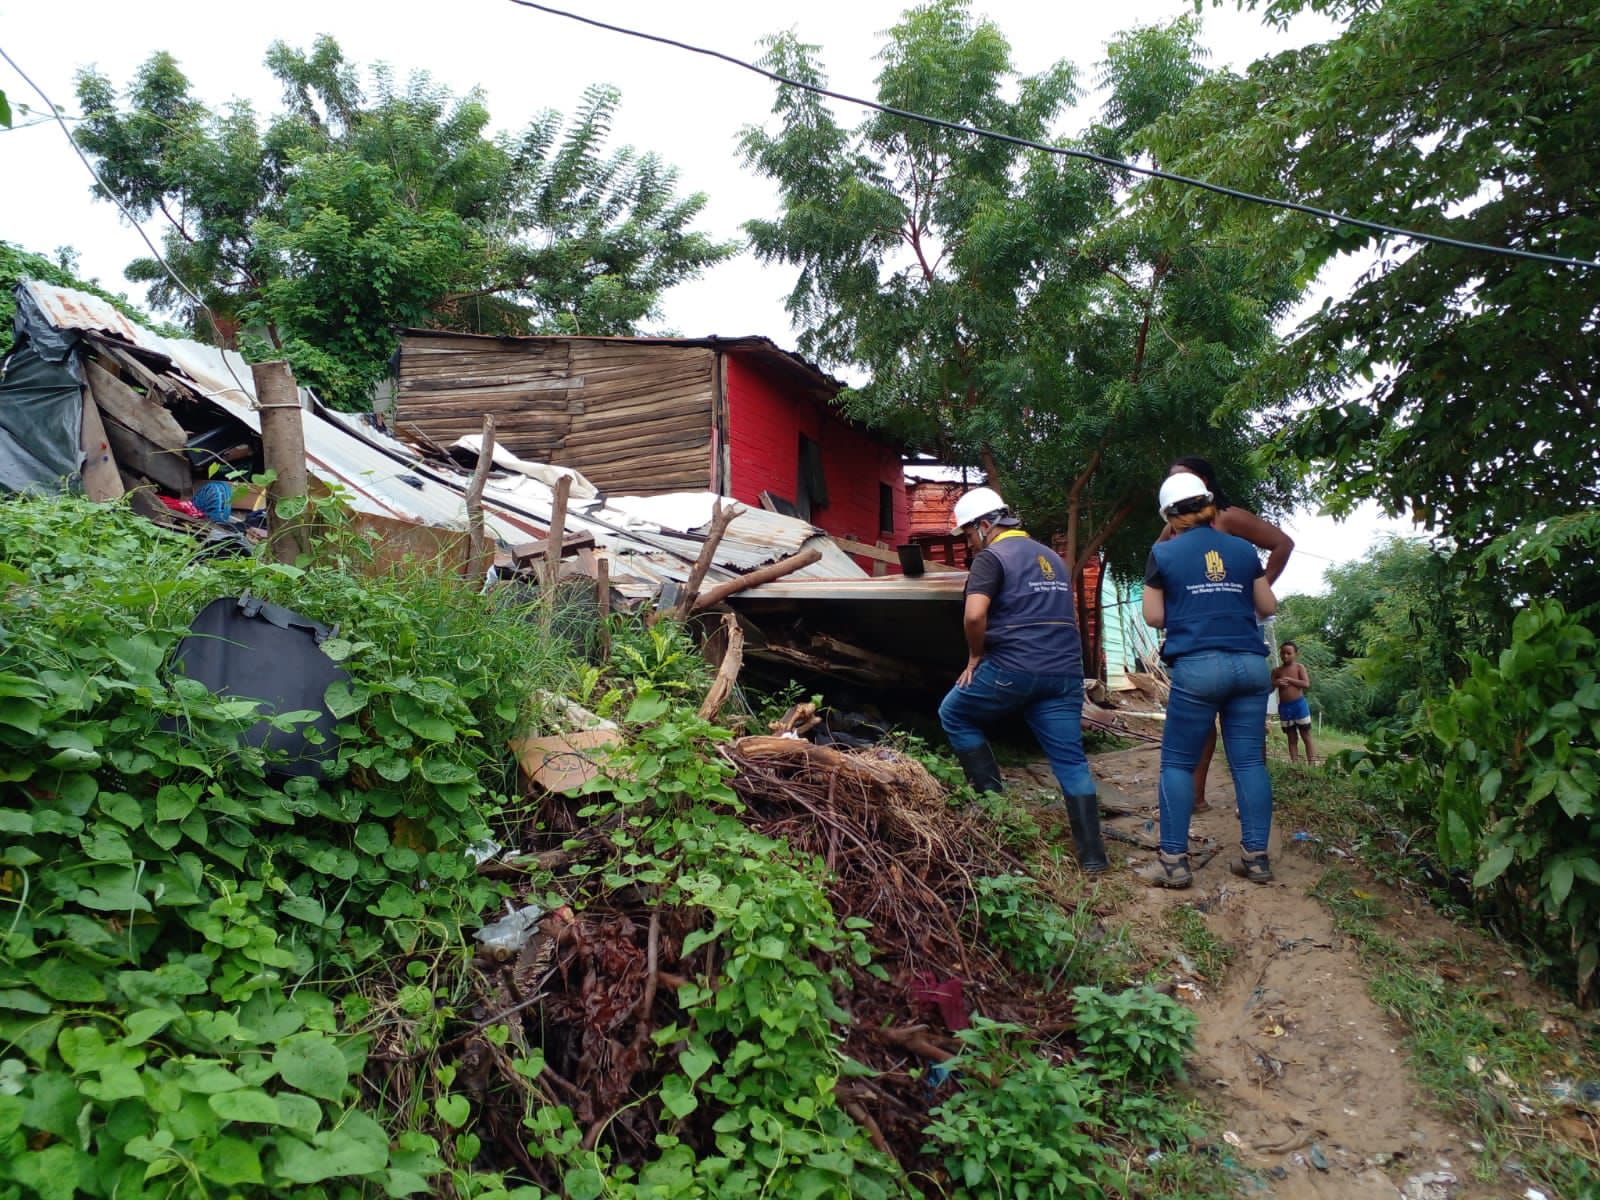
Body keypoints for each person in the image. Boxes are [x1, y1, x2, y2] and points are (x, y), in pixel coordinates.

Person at [937, 486, 1109, 874]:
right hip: (1065, 673)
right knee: (1071, 760)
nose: (968, 542)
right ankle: (1094, 858)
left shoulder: (991, 557)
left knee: (955, 713)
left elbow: (974, 616)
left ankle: (996, 817)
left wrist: (976, 654)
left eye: (968, 533)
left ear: (985, 525)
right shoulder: (1051, 557)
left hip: (1013, 668)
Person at [1139, 472, 1278, 888]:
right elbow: (1267, 605)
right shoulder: (1242, 548)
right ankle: (1256, 859)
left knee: (1179, 763)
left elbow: (1154, 616)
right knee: (1249, 762)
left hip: (1199, 667)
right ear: (1210, 504)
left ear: (1170, 516)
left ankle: (1173, 864)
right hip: (1251, 666)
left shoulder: (1162, 554)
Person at [1159, 456, 1294, 812]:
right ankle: (1197, 798)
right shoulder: (1173, 529)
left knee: (1245, 730)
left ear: (1203, 482)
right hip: (1196, 639)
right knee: (1200, 725)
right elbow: (1158, 564)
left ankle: (1247, 804)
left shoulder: (1229, 517)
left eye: (1183, 478)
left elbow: (1283, 543)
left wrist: (1254, 590)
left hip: (1236, 633)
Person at [1272, 640, 1317, 766]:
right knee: (1291, 738)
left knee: (1306, 736)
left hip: (1299, 706)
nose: (1285, 656)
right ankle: (1295, 765)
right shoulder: (1276, 671)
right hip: (1285, 708)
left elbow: (1306, 684)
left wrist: (1290, 680)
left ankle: (1312, 765)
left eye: (1288, 653)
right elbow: (1270, 688)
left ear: (1295, 654)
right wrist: (1276, 683)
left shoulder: (1299, 667)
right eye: (1282, 653)